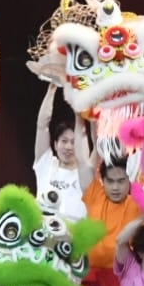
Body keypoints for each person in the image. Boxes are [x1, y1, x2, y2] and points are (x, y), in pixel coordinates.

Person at [76, 157, 139, 286]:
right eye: (110, 181)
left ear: (130, 180)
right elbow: (83, 160)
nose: (115, 187)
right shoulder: (95, 194)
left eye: (121, 181)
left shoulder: (139, 205)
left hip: (122, 285)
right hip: (90, 284)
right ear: (102, 181)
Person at [32, 86, 93, 222]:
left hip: (75, 231)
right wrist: (52, 88)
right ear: (55, 144)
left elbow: (89, 137)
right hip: (44, 228)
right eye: (64, 141)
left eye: (73, 142)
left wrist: (79, 105)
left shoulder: (85, 173)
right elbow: (42, 126)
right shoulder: (46, 165)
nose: (68, 147)